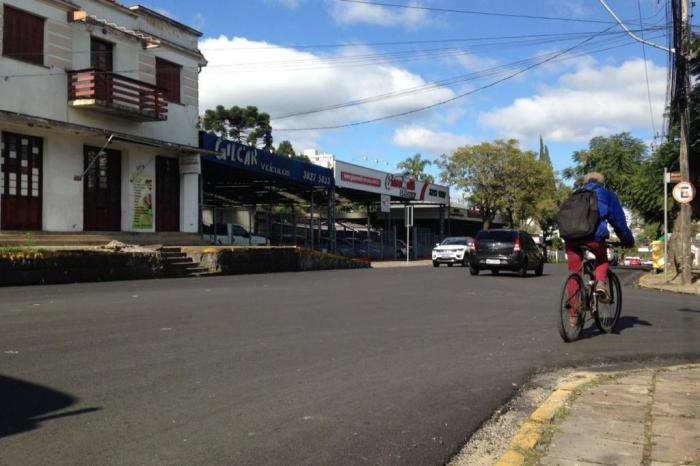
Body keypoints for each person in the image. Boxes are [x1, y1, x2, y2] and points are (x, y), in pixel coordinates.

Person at [565, 172, 634, 303]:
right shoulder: (607, 195)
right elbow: (619, 223)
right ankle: (600, 284)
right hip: (594, 238)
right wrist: (628, 240)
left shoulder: (575, 194)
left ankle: (574, 314)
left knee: (575, 272)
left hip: (571, 238)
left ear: (585, 183)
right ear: (602, 183)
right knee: (602, 258)